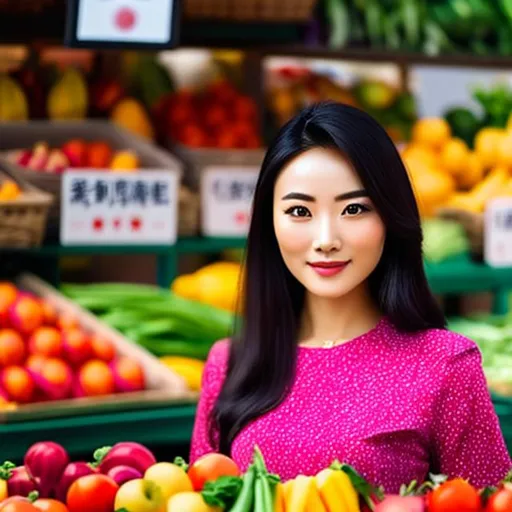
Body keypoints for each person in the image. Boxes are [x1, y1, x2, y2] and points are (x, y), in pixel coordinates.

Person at [190, 101, 511, 493]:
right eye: (299, 211)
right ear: (268, 222)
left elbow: (492, 501)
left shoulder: (446, 366)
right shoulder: (230, 364)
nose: (326, 239)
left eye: (354, 209)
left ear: (391, 218)